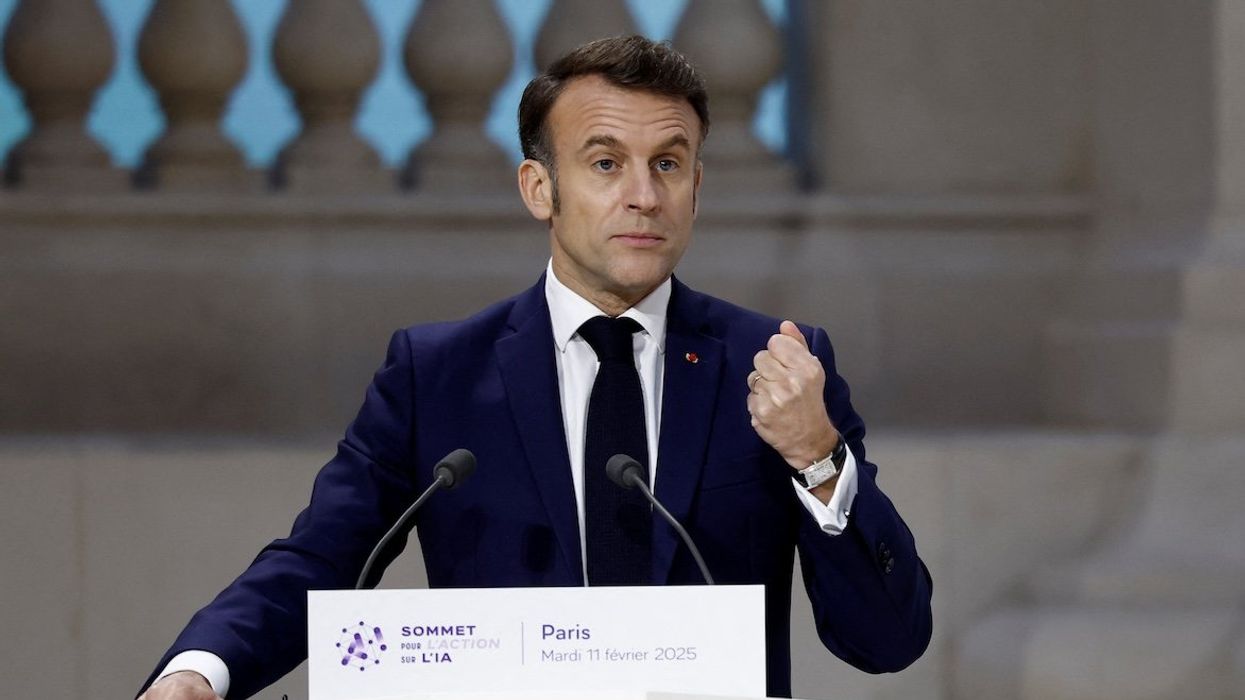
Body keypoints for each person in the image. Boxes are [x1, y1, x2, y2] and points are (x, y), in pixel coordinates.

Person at [139, 35, 932, 700]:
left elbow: (888, 641)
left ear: (696, 187)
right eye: (605, 163)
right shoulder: (435, 374)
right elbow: (319, 558)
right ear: (539, 188)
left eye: (667, 164)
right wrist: (200, 670)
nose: (643, 196)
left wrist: (817, 457)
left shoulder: (778, 367)